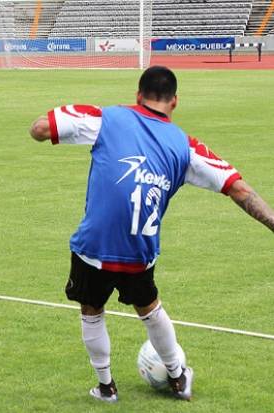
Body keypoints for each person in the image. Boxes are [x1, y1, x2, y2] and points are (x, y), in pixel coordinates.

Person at [29, 66, 274, 403]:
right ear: (174, 102)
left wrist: (47, 129)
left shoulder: (106, 118)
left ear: (138, 95)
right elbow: (240, 191)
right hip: (139, 252)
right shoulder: (186, 146)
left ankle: (106, 388)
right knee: (149, 308)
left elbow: (40, 128)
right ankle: (177, 377)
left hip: (94, 245)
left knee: (91, 310)